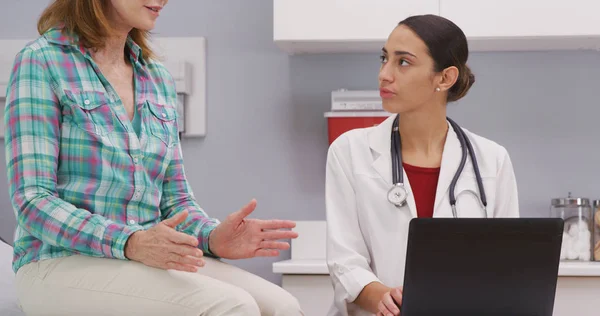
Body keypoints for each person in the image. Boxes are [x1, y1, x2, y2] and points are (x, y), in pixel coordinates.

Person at [4, 1, 304, 315]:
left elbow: (176, 202)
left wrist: (213, 239)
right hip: (56, 262)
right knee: (233, 306)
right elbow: (32, 200)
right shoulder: (41, 62)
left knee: (283, 306)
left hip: (141, 260)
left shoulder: (156, 77)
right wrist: (130, 242)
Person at [325, 14, 519, 316]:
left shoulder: (492, 160)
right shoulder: (349, 151)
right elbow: (344, 261)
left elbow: (507, 266)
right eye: (384, 58)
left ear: (445, 78)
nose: (384, 74)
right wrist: (381, 297)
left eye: (403, 62)